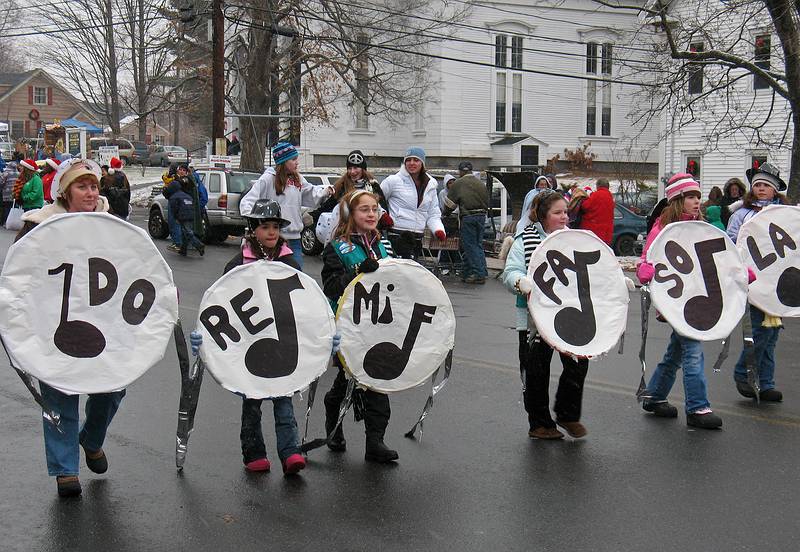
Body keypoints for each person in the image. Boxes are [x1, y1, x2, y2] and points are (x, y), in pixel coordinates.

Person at [15, 158, 122, 498]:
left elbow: (136, 268)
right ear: (65, 191)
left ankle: (91, 440)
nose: (90, 192)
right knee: (59, 394)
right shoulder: (38, 226)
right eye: (82, 186)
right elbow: (18, 273)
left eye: (94, 186)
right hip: (53, 325)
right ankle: (65, 470)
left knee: (112, 389)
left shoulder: (113, 226)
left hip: (102, 325)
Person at [189, 200, 308, 475]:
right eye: (265, 227)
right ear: (253, 229)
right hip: (249, 343)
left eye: (275, 227)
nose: (271, 233)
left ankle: (290, 452)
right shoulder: (238, 264)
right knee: (252, 401)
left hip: (282, 341)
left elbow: (305, 300)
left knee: (283, 398)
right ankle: (254, 453)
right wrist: (206, 335)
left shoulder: (289, 262)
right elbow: (221, 301)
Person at [636, 173, 724, 429]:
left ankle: (654, 396)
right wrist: (645, 269)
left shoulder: (704, 228)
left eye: (698, 196)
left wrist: (739, 273)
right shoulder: (662, 228)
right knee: (693, 352)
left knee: (677, 352)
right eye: (690, 197)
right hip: (677, 302)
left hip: (699, 299)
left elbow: (721, 256)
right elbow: (649, 256)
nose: (697, 201)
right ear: (676, 200)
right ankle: (697, 407)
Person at [501, 190, 590, 440]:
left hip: (569, 315)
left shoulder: (574, 240)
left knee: (578, 363)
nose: (564, 217)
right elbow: (510, 273)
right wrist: (521, 282)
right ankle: (540, 424)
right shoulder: (525, 240)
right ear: (542, 216)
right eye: (557, 213)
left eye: (566, 212)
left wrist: (612, 283)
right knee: (536, 371)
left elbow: (592, 270)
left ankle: (567, 413)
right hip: (534, 320)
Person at [321, 190, 399, 463]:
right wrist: (357, 272)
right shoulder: (336, 248)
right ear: (350, 214)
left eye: (374, 209)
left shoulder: (384, 246)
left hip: (379, 324)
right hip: (349, 325)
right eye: (364, 209)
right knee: (349, 378)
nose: (370, 214)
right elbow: (330, 287)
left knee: (377, 380)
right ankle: (334, 416)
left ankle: (375, 441)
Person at [727, 163, 788, 402]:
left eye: (766, 185)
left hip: (778, 282)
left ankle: (766, 383)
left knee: (772, 335)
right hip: (753, 282)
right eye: (758, 185)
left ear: (774, 190)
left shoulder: (785, 213)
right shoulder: (742, 214)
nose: (761, 189)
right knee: (760, 331)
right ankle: (743, 373)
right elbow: (733, 243)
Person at [239, 142, 333, 269]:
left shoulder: (297, 180)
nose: (297, 163)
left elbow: (311, 193)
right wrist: (254, 221)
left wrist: (326, 191)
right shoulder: (267, 179)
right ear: (283, 161)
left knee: (296, 275)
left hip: (294, 240)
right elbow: (248, 201)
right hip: (273, 240)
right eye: (293, 159)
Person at [380, 147, 445, 259]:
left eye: (416, 160)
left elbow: (433, 212)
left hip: (418, 236)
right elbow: (374, 200)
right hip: (397, 234)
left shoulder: (431, 185)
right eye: (408, 160)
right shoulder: (394, 180)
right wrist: (382, 215)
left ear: (422, 163)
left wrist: (438, 229)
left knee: (412, 270)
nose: (411, 163)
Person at [317, 150, 390, 238]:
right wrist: (312, 216)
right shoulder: (342, 186)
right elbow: (328, 206)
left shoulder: (373, 186)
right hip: (347, 233)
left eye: (356, 168)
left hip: (370, 233)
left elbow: (381, 208)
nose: (352, 172)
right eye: (349, 168)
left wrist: (384, 219)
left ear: (363, 169)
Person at [443, 160, 489, 283]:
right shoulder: (480, 183)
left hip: (468, 217)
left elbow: (449, 204)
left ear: (460, 171)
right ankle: (476, 270)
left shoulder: (459, 183)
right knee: (478, 245)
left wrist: (445, 214)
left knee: (469, 246)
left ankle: (478, 274)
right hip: (482, 216)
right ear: (470, 170)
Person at [164, 175, 205, 257]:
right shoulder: (185, 195)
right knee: (184, 233)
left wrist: (176, 218)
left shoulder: (173, 197)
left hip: (183, 216)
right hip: (191, 215)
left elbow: (174, 210)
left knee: (187, 232)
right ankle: (183, 250)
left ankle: (199, 245)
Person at [576, 178, 615, 245]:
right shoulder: (611, 197)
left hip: (594, 231)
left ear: (598, 186)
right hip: (607, 231)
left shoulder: (596, 195)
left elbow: (585, 206)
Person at [162, 164, 182, 251]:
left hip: (174, 202)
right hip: (175, 201)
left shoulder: (175, 181)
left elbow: (167, 191)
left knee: (174, 223)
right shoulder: (176, 179)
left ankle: (177, 243)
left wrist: (165, 190)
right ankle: (176, 242)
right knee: (174, 223)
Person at [0, 159, 16, 225]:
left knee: (6, 207)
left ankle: (5, 221)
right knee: (12, 207)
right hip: (15, 193)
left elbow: (1, 182)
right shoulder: (18, 173)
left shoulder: (5, 173)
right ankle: (11, 221)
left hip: (6, 193)